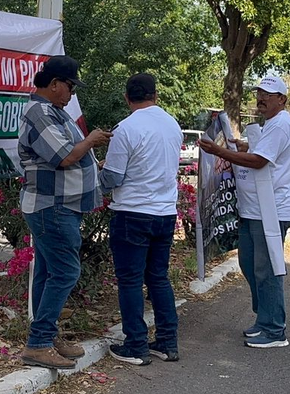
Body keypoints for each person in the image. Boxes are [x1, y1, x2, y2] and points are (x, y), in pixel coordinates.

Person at [17, 55, 112, 369]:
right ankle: (39, 342)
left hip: (60, 207)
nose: (71, 93)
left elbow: (72, 158)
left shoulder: (55, 112)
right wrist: (91, 141)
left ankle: (47, 334)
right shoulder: (39, 112)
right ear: (54, 83)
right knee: (67, 272)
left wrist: (93, 163)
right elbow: (64, 157)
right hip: (51, 207)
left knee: (48, 273)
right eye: (69, 86)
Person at [199, 76, 290, 348]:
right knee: (249, 264)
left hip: (271, 210)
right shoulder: (270, 125)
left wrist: (221, 151)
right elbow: (260, 154)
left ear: (282, 99)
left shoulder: (280, 125)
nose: (261, 98)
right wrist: (242, 147)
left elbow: (258, 161)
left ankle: (274, 329)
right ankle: (265, 317)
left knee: (266, 270)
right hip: (255, 209)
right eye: (259, 93)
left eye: (268, 94)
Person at [100, 73, 183, 366]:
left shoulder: (125, 128)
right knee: (158, 278)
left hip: (132, 213)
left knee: (130, 281)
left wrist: (98, 173)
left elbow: (113, 177)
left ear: (127, 98)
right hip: (164, 212)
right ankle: (167, 342)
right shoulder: (172, 125)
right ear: (155, 96)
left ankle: (135, 345)